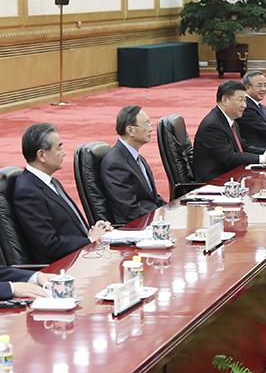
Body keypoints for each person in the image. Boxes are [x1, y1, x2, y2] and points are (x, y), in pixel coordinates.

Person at [13, 123, 113, 262]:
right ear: (42, 155)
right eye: (59, 148)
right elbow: (49, 245)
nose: (64, 153)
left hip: (82, 255)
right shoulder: (27, 191)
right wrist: (90, 240)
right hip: (64, 266)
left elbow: (68, 227)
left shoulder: (50, 181)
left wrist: (96, 231)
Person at [193, 81, 266, 183]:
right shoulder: (212, 126)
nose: (244, 105)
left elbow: (242, 147)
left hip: (233, 175)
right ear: (224, 100)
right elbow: (229, 158)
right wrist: (263, 159)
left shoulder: (231, 120)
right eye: (240, 100)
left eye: (245, 100)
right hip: (216, 181)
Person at [100, 106, 167, 224]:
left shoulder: (137, 158)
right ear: (130, 130)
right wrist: (161, 218)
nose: (151, 129)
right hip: (139, 225)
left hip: (152, 217)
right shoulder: (115, 164)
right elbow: (129, 210)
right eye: (146, 125)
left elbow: (153, 197)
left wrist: (171, 210)